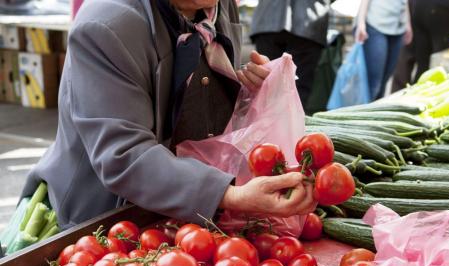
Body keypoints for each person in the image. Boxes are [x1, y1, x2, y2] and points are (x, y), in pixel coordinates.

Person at [20, 0, 316, 230]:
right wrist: (231, 195)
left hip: (181, 212)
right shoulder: (106, 26)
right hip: (100, 221)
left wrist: (248, 93)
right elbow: (125, 155)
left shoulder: (216, 5)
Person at [250, 0, 330, 115]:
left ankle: (266, 128)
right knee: (298, 88)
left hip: (268, 18)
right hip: (309, 20)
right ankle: (293, 128)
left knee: (268, 85)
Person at [355, 0, 413, 100]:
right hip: (376, 24)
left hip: (398, 28)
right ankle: (365, 112)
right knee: (374, 84)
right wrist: (361, 23)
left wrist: (408, 23)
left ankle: (376, 112)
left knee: (384, 81)